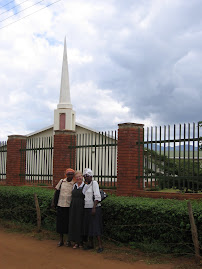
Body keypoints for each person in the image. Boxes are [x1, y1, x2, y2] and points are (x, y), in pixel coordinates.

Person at [82, 168, 103, 253]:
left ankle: (100, 245)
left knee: (96, 226)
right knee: (89, 227)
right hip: (86, 208)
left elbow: (97, 196)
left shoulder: (94, 183)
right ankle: (91, 244)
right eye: (85, 176)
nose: (86, 178)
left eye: (87, 176)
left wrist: (94, 207)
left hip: (94, 208)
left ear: (91, 176)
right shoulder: (86, 186)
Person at [55, 168, 75, 247]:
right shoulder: (61, 182)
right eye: (68, 174)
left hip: (69, 206)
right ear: (66, 175)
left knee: (68, 223)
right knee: (60, 223)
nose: (69, 176)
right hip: (61, 204)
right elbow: (56, 192)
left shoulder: (74, 184)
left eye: (71, 174)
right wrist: (54, 203)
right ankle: (61, 240)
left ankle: (68, 240)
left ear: (73, 175)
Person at [68, 171, 85, 248]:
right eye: (77, 177)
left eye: (80, 176)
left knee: (80, 223)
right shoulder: (74, 185)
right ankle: (75, 241)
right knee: (74, 222)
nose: (78, 178)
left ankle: (80, 241)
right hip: (74, 206)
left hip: (81, 206)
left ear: (82, 177)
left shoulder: (85, 186)